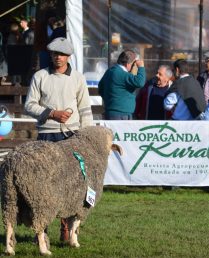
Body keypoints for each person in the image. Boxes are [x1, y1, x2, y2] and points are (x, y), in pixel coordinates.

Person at [25, 37, 93, 241]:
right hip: (46, 135)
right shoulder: (40, 76)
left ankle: (67, 228)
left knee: (70, 184)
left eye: (62, 54)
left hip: (71, 136)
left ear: (69, 56)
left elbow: (85, 109)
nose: (58, 58)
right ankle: (41, 230)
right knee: (42, 183)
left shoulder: (78, 78)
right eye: (55, 53)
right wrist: (52, 113)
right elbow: (29, 105)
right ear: (51, 55)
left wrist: (86, 137)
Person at [98, 49, 146, 120]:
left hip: (111, 111)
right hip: (121, 114)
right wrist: (141, 67)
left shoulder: (110, 71)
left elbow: (101, 87)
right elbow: (140, 82)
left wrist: (110, 100)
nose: (133, 66)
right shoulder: (121, 73)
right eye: (133, 64)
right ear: (128, 64)